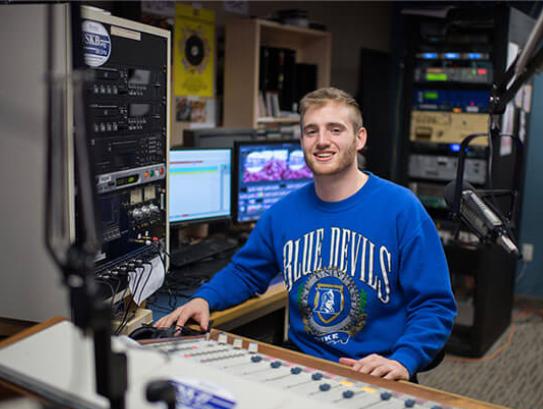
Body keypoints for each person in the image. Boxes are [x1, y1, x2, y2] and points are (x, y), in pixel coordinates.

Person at [156, 87, 457, 381]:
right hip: (303, 367)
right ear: (301, 140)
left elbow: (434, 304)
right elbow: (246, 273)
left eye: (335, 130)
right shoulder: (282, 213)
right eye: (311, 131)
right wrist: (205, 299)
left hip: (377, 371)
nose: (322, 141)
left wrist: (404, 360)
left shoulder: (402, 209)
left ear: (359, 138)